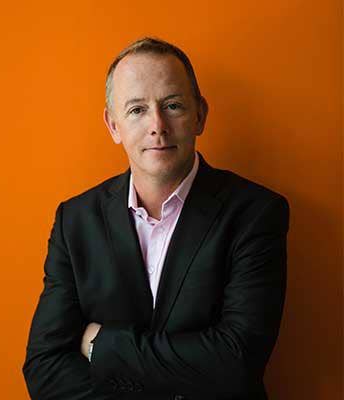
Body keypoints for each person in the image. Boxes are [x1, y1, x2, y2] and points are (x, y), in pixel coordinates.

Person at [22, 37, 290, 400]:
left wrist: (101, 345)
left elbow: (237, 361)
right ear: (113, 125)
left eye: (173, 105)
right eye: (137, 109)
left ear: (200, 115)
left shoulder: (256, 212)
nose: (157, 125)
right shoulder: (75, 221)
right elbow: (45, 369)